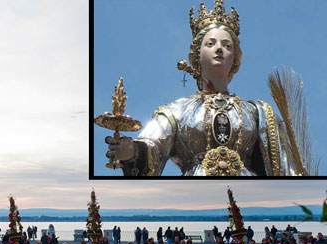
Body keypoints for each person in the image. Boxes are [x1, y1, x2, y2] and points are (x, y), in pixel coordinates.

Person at [103, 0, 301, 176]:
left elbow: (285, 167)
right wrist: (131, 151)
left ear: (235, 59)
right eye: (211, 43)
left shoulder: (257, 113)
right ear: (197, 55)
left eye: (227, 45)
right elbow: (153, 144)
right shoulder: (176, 111)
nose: (219, 49)